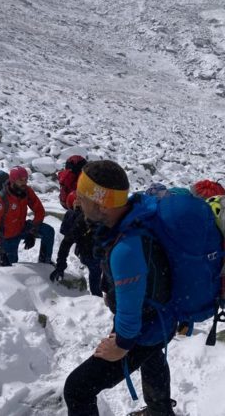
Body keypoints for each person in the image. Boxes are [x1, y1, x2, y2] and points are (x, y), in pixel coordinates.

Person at [63, 160, 177, 416]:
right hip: (163, 315)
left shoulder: (126, 249)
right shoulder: (134, 214)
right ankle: (161, 411)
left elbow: (129, 317)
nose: (77, 203)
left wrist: (122, 345)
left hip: (148, 325)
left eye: (83, 197)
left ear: (102, 204)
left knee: (77, 389)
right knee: (153, 355)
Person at [0, 166, 55, 267]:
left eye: (26, 179)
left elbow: (39, 210)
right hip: (7, 238)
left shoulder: (26, 191)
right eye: (20, 180)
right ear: (13, 180)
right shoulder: (0, 200)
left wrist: (33, 231)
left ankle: (45, 263)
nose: (24, 183)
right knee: (11, 267)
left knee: (48, 231)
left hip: (21, 227)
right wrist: (1, 253)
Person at [49, 191, 102, 297]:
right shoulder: (80, 220)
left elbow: (66, 242)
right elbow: (66, 242)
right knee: (96, 270)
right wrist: (61, 265)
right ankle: (97, 296)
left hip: (92, 249)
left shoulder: (89, 217)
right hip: (90, 252)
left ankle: (98, 295)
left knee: (97, 270)